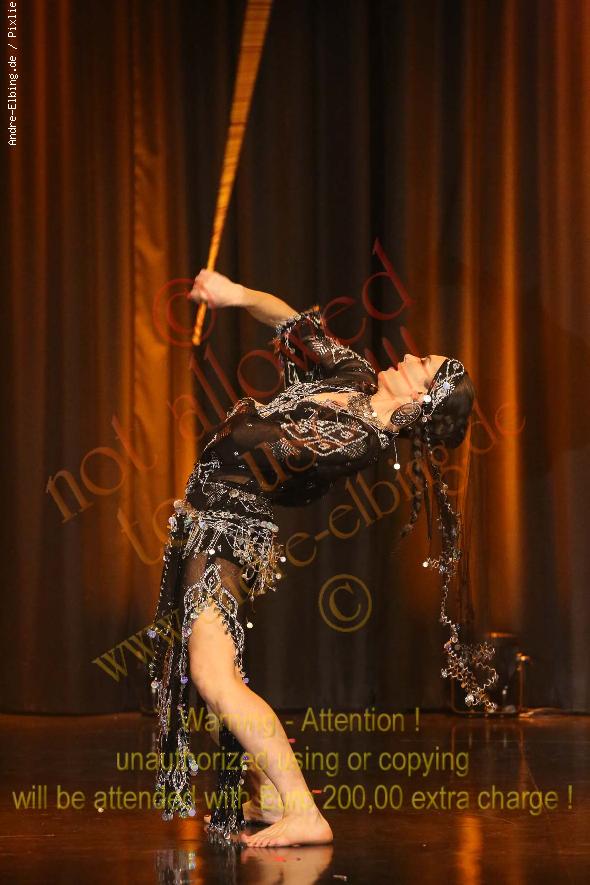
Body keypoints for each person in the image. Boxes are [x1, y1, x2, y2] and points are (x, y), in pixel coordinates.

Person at [147, 269, 498, 847]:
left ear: (421, 398)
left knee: (212, 675)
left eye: (422, 364)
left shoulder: (360, 438)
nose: (409, 356)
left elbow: (260, 446)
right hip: (206, 523)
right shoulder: (355, 379)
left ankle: (304, 811)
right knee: (210, 678)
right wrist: (235, 295)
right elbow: (291, 322)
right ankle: (264, 796)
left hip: (227, 535)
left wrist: (238, 425)